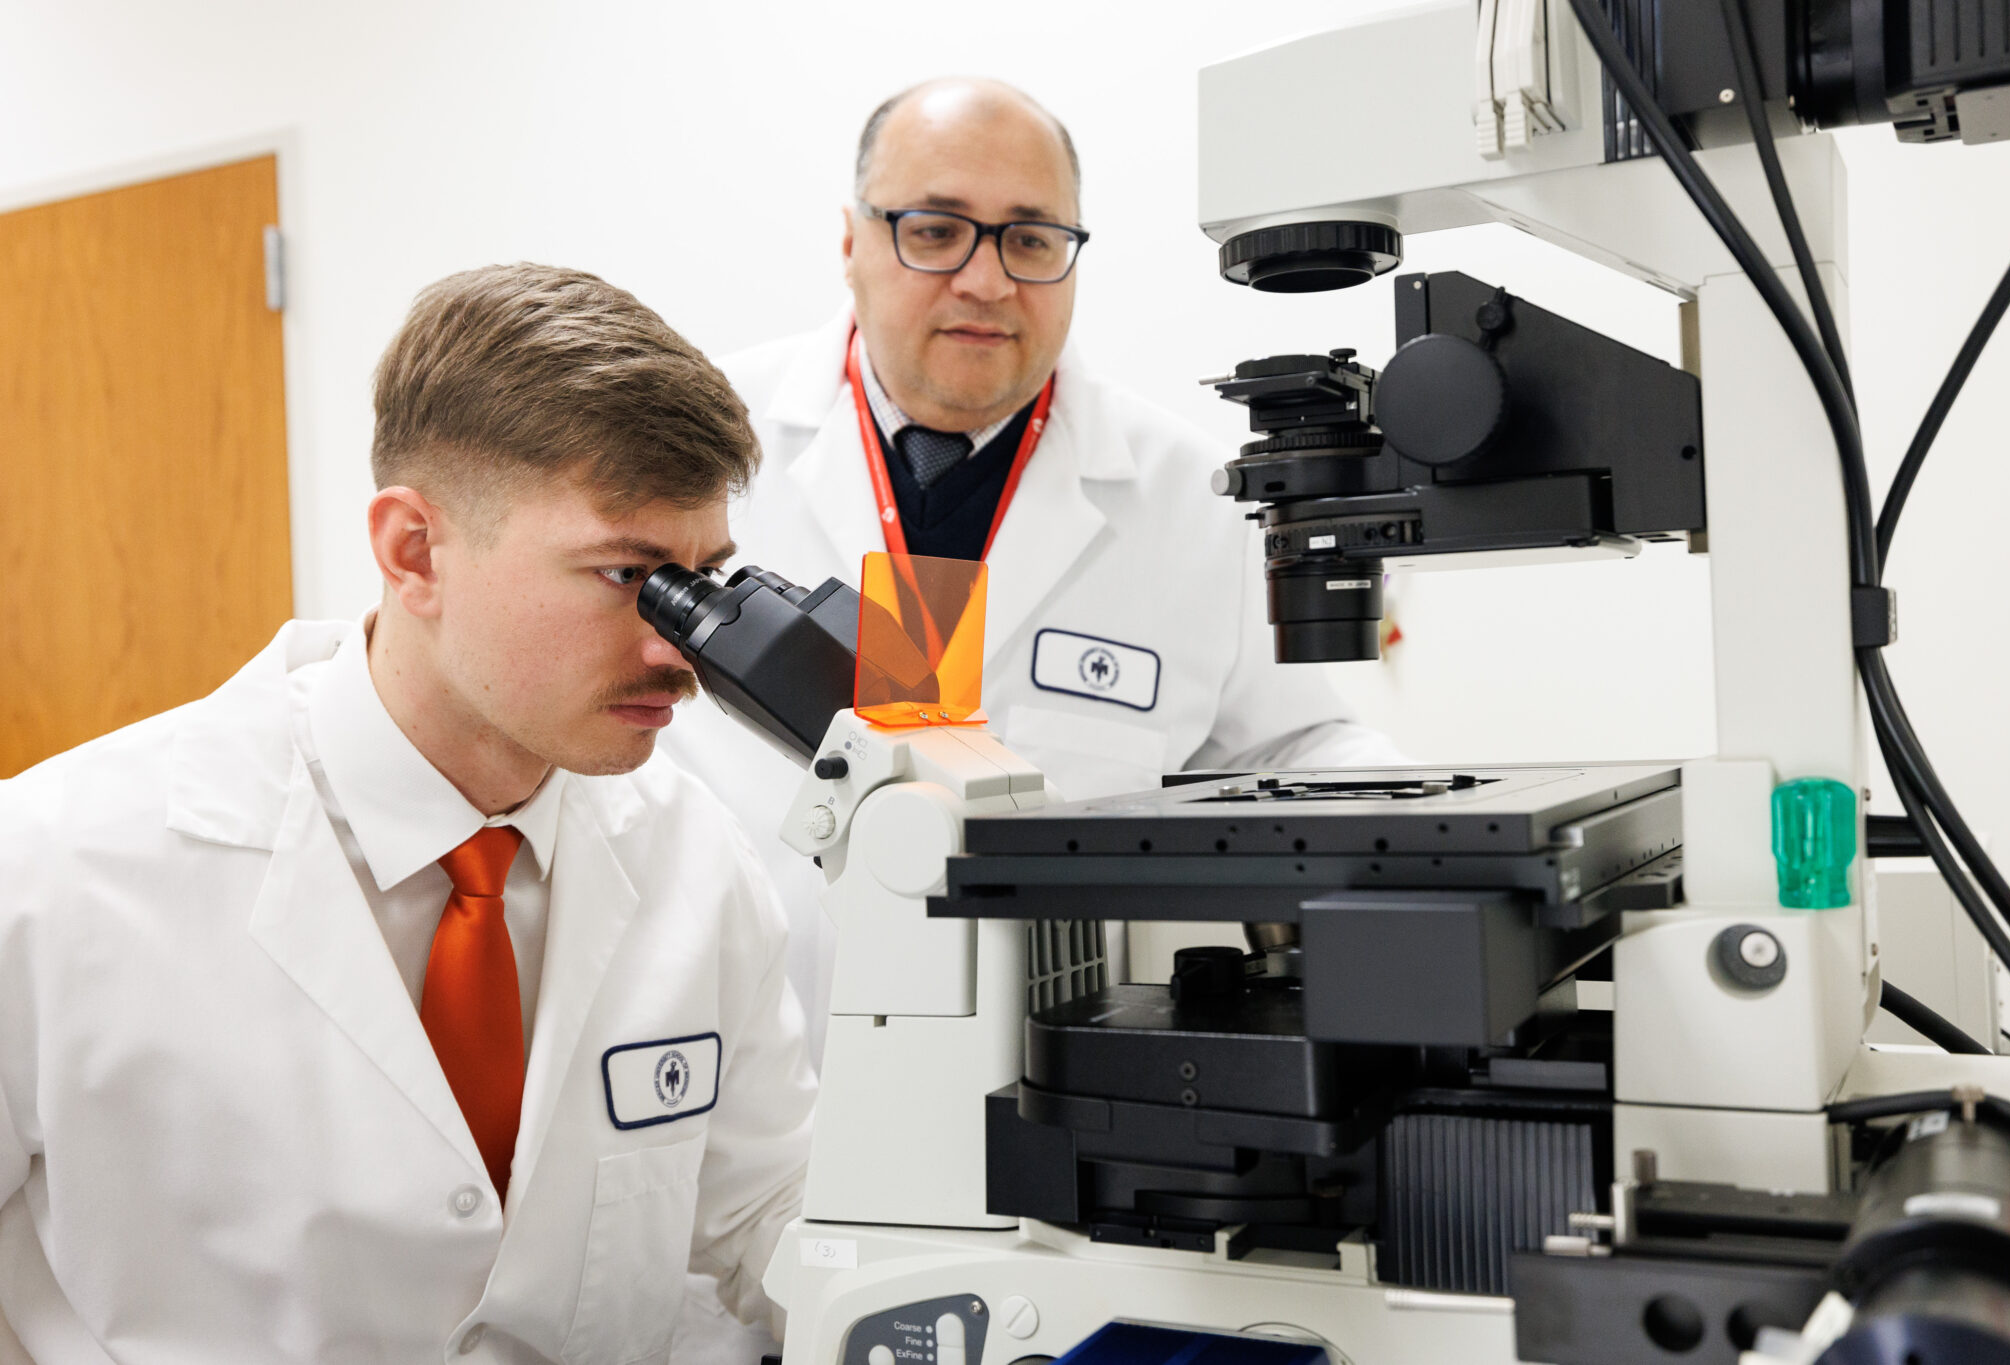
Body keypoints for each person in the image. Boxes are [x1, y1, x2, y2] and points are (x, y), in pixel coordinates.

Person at [0, 265, 815, 1363]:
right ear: (415, 551)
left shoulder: (693, 856)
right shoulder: (51, 867)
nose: (683, 649)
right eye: (628, 575)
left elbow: (771, 1213)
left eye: (704, 579)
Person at [661, 76, 1403, 1066]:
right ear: (851, 242)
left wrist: (1431, 851)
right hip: (736, 1059)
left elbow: (1305, 746)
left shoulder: (1192, 495)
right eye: (934, 229)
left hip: (1057, 1074)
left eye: (1030, 238)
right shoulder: (694, 441)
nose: (984, 280)